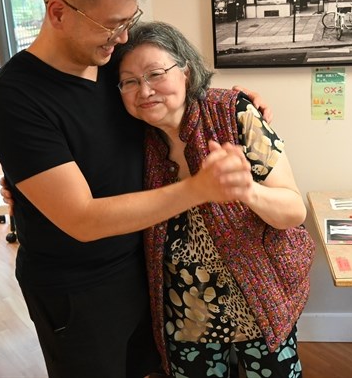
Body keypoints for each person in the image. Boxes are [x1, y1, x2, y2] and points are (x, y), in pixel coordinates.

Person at [0, 0, 260, 378]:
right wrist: (199, 188)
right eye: (112, 25)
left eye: (129, 22)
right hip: (78, 290)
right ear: (58, 13)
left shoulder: (111, 66)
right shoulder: (14, 97)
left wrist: (230, 104)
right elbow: (83, 218)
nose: (122, 38)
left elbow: (167, 91)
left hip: (146, 266)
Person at [113, 21, 315, 377]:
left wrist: (246, 191)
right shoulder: (131, 140)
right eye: (130, 81)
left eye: (155, 73)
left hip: (260, 299)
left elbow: (293, 211)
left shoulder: (233, 113)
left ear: (186, 72)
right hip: (186, 312)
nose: (144, 90)